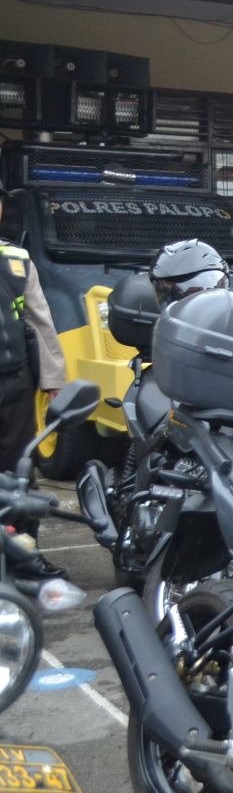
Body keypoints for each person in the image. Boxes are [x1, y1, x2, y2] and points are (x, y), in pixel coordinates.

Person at [0, 180, 69, 581]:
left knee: (19, 472)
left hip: (13, 384)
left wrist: (54, 379)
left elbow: (40, 322)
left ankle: (23, 556)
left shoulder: (16, 259)